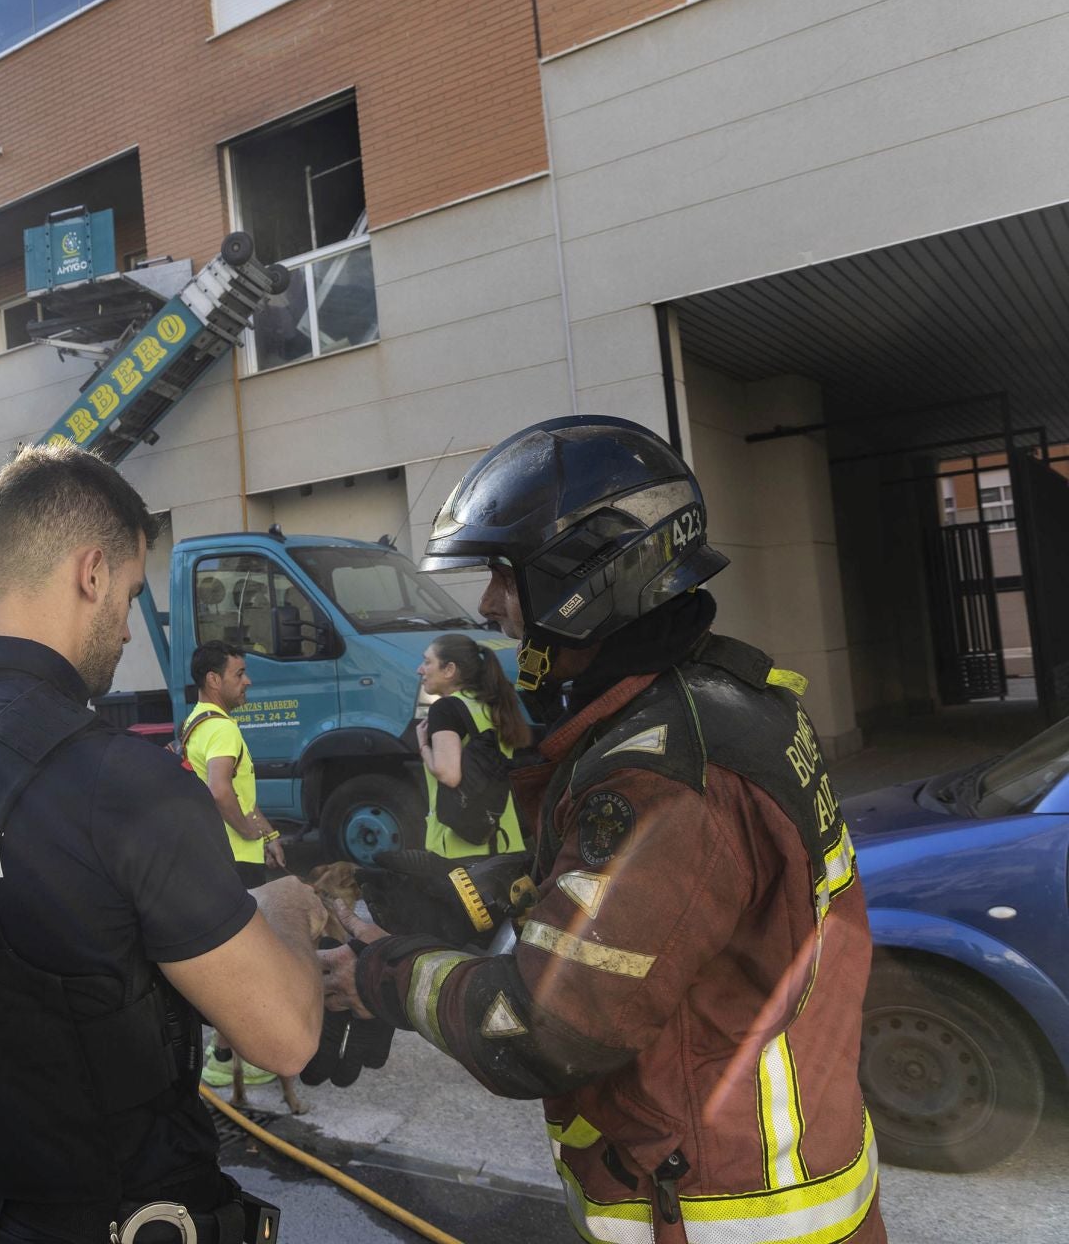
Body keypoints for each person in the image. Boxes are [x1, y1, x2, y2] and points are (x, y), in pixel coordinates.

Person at [321, 416, 885, 1244]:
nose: (488, 604)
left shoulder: (661, 775)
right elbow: (667, 900)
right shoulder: (724, 701)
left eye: (505, 577)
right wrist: (456, 893)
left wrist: (382, 975)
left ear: (583, 579)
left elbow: (543, 1029)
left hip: (715, 1211)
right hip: (777, 1176)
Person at [0, 441, 324, 1243]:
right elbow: (285, 1037)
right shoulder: (123, 783)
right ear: (93, 572)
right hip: (125, 1215)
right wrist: (283, 909)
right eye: (132, 591)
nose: (128, 632)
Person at [414, 632, 531, 859]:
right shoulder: (492, 705)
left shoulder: (445, 708)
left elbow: (448, 775)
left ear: (449, 670)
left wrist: (422, 746)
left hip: (460, 848)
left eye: (428, 662)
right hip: (506, 841)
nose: (420, 669)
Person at [181, 640, 284, 886]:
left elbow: (238, 795)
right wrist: (249, 834)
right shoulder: (222, 729)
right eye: (239, 674)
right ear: (214, 680)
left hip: (213, 853)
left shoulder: (194, 721)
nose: (247, 681)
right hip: (238, 859)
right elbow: (219, 790)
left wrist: (268, 835)